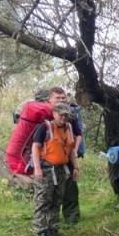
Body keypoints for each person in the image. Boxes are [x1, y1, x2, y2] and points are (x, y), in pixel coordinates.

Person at [31, 103, 78, 236]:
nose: (63, 117)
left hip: (61, 170)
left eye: (66, 115)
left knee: (57, 200)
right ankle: (40, 230)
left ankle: (53, 229)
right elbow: (35, 147)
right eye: (61, 114)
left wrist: (75, 167)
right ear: (54, 114)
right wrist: (37, 168)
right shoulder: (45, 127)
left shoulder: (68, 128)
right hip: (46, 170)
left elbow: (71, 151)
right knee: (43, 200)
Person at [45, 87, 83, 225]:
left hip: (67, 155)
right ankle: (47, 222)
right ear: (50, 100)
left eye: (63, 98)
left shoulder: (69, 115)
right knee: (49, 191)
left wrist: (75, 149)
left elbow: (78, 134)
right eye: (57, 98)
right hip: (49, 160)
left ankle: (72, 219)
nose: (61, 100)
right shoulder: (44, 115)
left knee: (71, 188)